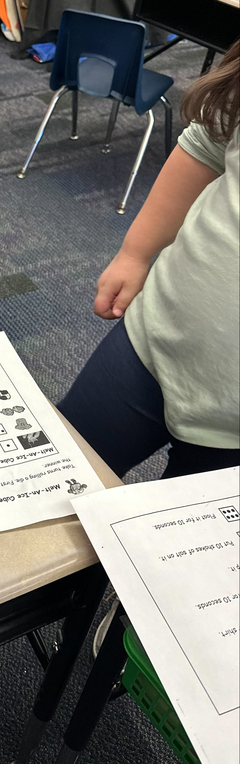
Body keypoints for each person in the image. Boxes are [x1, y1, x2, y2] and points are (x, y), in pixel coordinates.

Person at [58, 39, 240, 479]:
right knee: (55, 488)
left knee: (170, 546)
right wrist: (135, 254)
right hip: (154, 342)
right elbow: (207, 144)